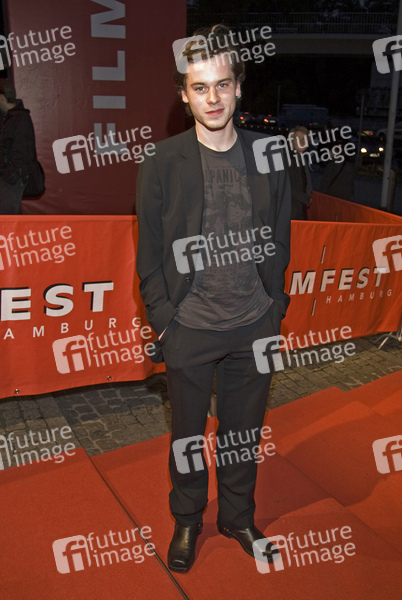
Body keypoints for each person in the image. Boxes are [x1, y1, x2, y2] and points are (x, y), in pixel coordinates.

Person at [136, 24, 291, 573]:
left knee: (242, 435)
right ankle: (187, 519)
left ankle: (238, 516)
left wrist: (274, 309)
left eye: (223, 84)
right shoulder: (162, 161)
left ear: (239, 86)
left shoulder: (269, 156)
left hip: (254, 322)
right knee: (186, 437)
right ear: (184, 95)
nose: (213, 98)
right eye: (200, 88)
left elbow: (281, 238)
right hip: (190, 327)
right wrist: (165, 322)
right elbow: (149, 254)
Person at [0, 80, 36, 214]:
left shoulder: (20, 119)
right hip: (8, 178)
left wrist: (10, 177)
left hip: (11, 180)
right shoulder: (9, 118)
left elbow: (23, 152)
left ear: (1, 98)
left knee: (8, 218)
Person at [287, 126, 313, 220]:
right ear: (292, 141)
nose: (302, 142)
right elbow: (288, 185)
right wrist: (306, 199)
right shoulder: (289, 159)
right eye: (298, 139)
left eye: (304, 139)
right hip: (292, 209)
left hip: (298, 208)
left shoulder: (300, 158)